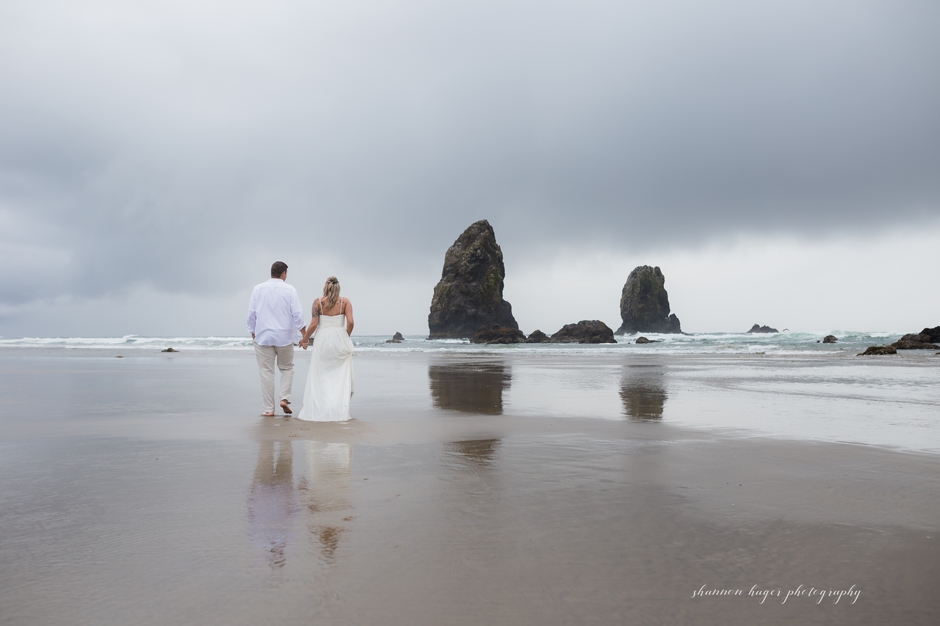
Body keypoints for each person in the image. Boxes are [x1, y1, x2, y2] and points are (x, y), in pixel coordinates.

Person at [246, 261, 305, 416]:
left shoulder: (258, 289)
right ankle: (284, 398)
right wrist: (304, 334)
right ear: (283, 273)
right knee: (287, 368)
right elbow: (297, 314)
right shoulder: (290, 289)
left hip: (263, 336)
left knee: (266, 373)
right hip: (284, 336)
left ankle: (268, 409)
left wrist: (252, 331)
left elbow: (252, 313)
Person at [296, 276, 355, 422]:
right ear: (338, 287)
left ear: (325, 287)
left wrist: (304, 339)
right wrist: (346, 335)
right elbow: (351, 322)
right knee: (339, 376)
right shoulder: (345, 302)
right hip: (339, 337)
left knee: (321, 375)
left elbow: (313, 324)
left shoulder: (318, 303)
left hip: (322, 340)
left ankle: (321, 408)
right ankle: (338, 410)